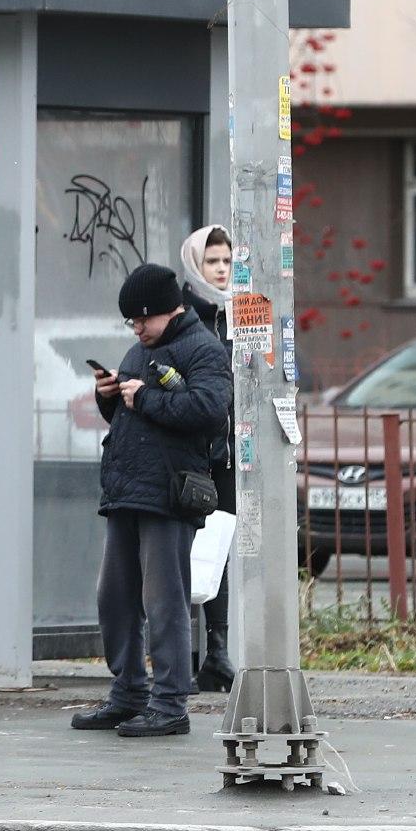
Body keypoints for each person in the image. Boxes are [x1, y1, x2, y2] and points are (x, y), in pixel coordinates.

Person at [73, 262, 233, 739]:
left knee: (165, 600)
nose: (137, 329)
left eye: (142, 319)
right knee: (115, 597)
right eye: (131, 322)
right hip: (127, 491)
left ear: (169, 310)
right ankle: (128, 693)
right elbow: (130, 416)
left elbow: (209, 409)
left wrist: (143, 398)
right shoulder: (136, 352)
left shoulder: (202, 349)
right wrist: (109, 396)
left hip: (169, 492)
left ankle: (170, 703)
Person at [175, 225, 237, 694]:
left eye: (227, 261)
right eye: (212, 261)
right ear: (197, 263)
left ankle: (217, 651)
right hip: (193, 451)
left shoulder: (242, 312)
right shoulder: (184, 313)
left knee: (218, 549)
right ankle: (182, 652)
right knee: (182, 548)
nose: (220, 269)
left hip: (230, 453)